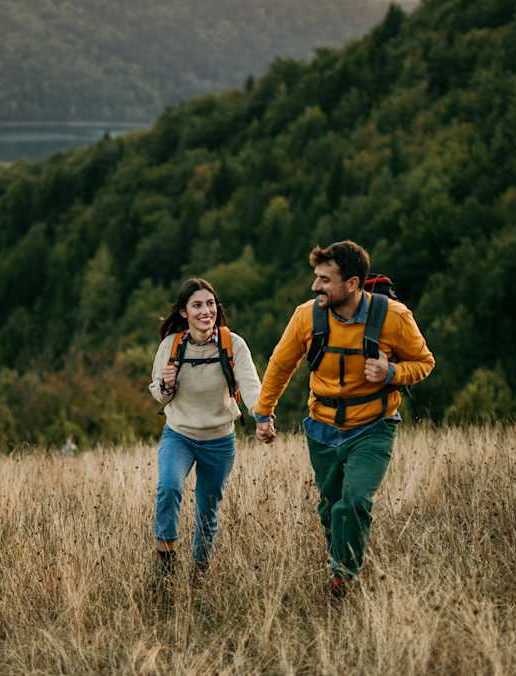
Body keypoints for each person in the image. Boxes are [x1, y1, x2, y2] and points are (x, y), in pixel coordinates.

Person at [253, 240, 434, 600]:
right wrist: (263, 412)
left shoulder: (394, 317)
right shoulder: (307, 316)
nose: (315, 286)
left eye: (324, 279)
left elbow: (425, 363)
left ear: (352, 284)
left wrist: (391, 371)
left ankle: (342, 578)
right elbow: (281, 363)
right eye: (316, 278)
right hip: (321, 427)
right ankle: (340, 561)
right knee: (330, 506)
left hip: (373, 426)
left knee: (353, 502)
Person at [149, 278, 262, 582]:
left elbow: (251, 386)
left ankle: (199, 574)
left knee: (207, 512)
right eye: (197, 305)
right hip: (180, 435)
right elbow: (158, 394)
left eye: (210, 304)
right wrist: (166, 385)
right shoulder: (171, 346)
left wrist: (263, 415)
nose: (205, 311)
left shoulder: (232, 344)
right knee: (169, 486)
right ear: (184, 313)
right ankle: (166, 563)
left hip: (219, 440)